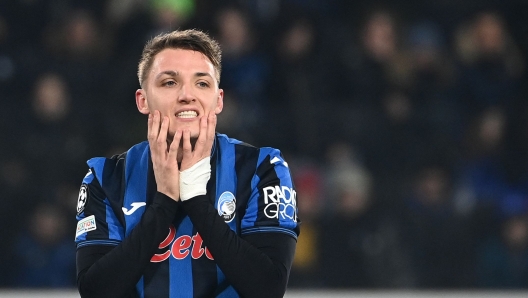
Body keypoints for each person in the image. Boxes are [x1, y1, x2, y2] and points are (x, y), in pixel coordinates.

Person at [74, 29, 300, 298]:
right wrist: (164, 202)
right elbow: (95, 291)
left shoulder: (263, 169)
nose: (186, 95)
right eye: (169, 82)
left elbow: (268, 288)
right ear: (142, 100)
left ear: (218, 101)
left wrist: (194, 196)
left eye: (202, 83)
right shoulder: (105, 177)